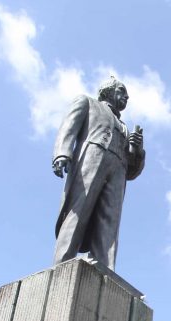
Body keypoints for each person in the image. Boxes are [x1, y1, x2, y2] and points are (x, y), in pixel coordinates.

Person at [51, 76, 145, 270]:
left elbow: (132, 172)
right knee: (78, 210)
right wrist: (62, 153)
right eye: (122, 91)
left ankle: (104, 268)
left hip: (118, 168)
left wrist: (136, 150)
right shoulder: (87, 103)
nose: (127, 96)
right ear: (108, 90)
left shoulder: (126, 128)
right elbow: (68, 128)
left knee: (110, 220)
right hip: (92, 159)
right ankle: (62, 263)